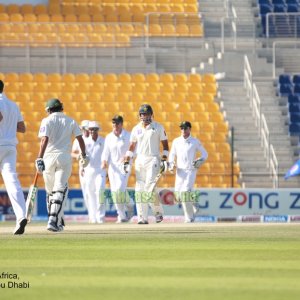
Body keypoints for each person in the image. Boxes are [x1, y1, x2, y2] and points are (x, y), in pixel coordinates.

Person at [36, 98, 88, 232]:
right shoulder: (70, 120)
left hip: (48, 157)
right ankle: (55, 220)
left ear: (49, 110)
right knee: (59, 189)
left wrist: (39, 158)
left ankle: (53, 219)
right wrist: (84, 154)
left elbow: (44, 139)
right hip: (64, 157)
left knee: (50, 192)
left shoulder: (46, 120)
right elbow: (80, 139)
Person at [123, 104, 169, 224]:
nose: (145, 116)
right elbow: (132, 146)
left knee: (150, 188)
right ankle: (142, 218)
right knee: (140, 190)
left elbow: (165, 145)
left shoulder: (158, 127)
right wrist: (127, 161)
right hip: (140, 160)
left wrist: (164, 159)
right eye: (143, 114)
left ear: (151, 115)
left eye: (147, 114)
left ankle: (158, 212)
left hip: (153, 159)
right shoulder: (136, 129)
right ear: (139, 116)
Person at [0, 80, 27, 235]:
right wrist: (9, 127)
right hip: (10, 147)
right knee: (12, 182)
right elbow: (22, 128)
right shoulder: (13, 104)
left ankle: (21, 217)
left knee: (11, 182)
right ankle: (21, 216)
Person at [168, 121, 208, 223]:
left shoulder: (195, 141)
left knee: (185, 193)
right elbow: (172, 154)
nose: (183, 130)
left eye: (185, 128)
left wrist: (199, 161)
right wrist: (171, 164)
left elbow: (205, 154)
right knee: (178, 197)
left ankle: (189, 218)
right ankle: (194, 201)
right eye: (182, 128)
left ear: (190, 129)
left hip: (191, 170)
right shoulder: (176, 141)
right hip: (180, 172)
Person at [101, 115, 131, 223]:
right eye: (113, 123)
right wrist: (104, 161)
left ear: (122, 124)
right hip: (112, 168)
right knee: (115, 192)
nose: (115, 125)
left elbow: (134, 149)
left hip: (124, 166)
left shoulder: (128, 135)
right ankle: (122, 215)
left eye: (117, 123)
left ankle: (128, 206)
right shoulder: (109, 137)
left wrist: (127, 155)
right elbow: (106, 152)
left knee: (119, 190)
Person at [84, 121, 106, 223]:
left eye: (95, 129)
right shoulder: (85, 142)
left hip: (100, 170)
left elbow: (107, 155)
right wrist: (81, 167)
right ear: (89, 130)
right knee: (90, 194)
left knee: (100, 191)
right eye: (91, 129)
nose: (92, 131)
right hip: (89, 170)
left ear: (98, 130)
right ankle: (93, 217)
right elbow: (82, 157)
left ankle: (100, 217)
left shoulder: (103, 141)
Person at [71, 120, 90, 213]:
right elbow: (72, 153)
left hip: (93, 168)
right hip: (83, 168)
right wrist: (78, 155)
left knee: (93, 192)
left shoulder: (94, 138)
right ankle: (91, 214)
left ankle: (97, 216)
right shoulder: (78, 140)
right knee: (86, 192)